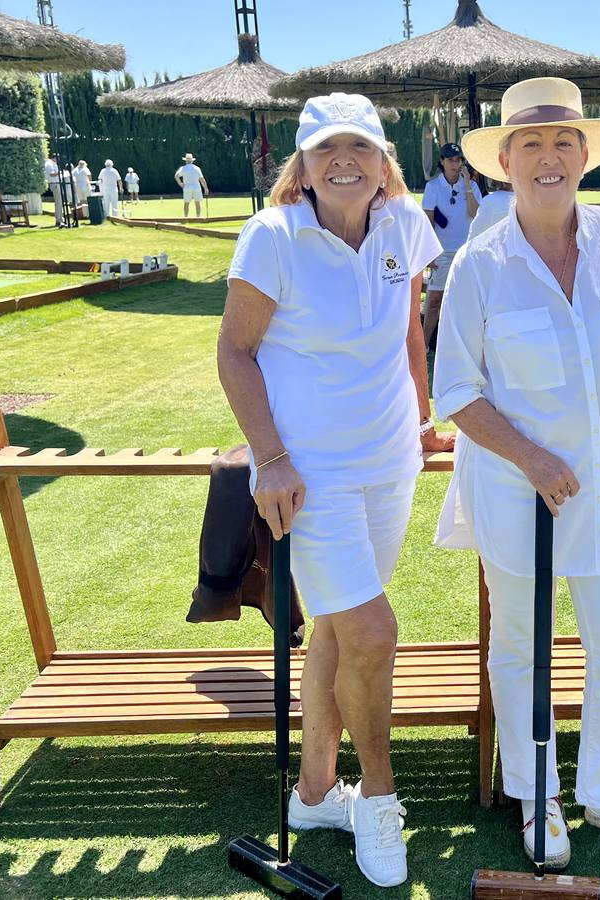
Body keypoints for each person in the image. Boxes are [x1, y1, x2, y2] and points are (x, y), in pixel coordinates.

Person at [433, 76, 600, 869]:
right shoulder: (480, 263)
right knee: (521, 645)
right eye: (530, 144)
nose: (548, 157)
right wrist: (532, 458)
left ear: (584, 154)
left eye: (563, 142)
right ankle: (536, 794)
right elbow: (456, 391)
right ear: (504, 160)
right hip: (519, 492)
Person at [218, 92, 454, 889]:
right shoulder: (272, 236)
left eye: (359, 146)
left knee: (339, 627)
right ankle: (378, 798)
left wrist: (423, 418)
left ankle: (316, 792)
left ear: (384, 160)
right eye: (326, 149)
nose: (344, 160)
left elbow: (409, 330)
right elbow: (236, 354)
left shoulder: (405, 225)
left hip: (389, 463)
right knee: (374, 632)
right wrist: (272, 457)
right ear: (305, 165)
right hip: (307, 477)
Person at [420, 142, 481, 351]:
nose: (455, 164)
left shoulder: (471, 186)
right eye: (451, 160)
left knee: (466, 300)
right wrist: (428, 253)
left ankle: (466, 347)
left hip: (466, 251)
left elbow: (475, 213)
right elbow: (428, 221)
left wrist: (466, 186)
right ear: (442, 162)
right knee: (435, 299)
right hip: (442, 251)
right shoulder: (433, 187)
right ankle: (423, 345)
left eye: (458, 160)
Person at [175, 152, 209, 219]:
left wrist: (180, 184)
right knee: (197, 203)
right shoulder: (197, 168)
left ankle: (185, 218)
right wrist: (205, 188)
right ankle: (198, 218)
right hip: (196, 187)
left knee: (186, 203)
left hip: (187, 187)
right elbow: (202, 179)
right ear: (192, 160)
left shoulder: (183, 168)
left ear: (186, 160)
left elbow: (176, 176)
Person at [43, 155, 63, 226]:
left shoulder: (52, 163)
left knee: (59, 202)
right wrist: (61, 173)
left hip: (56, 183)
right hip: (54, 184)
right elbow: (52, 174)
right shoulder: (49, 164)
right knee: (58, 202)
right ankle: (59, 219)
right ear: (54, 158)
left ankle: (60, 218)